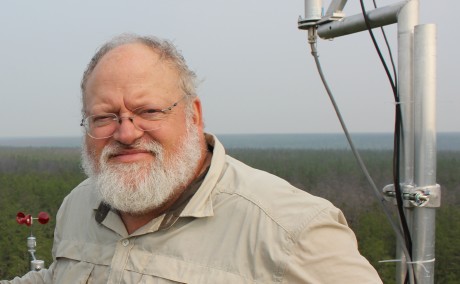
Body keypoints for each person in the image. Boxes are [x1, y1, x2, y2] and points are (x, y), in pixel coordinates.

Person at [2, 34, 382, 283]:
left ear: (193, 116)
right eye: (104, 117)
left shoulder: (291, 231)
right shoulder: (80, 203)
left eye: (148, 111)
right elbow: (60, 275)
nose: (126, 133)